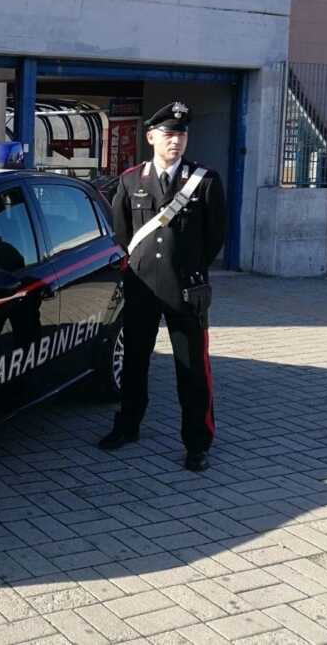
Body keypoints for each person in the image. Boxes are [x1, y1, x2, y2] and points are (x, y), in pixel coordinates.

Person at [98, 102, 225, 472]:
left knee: (192, 369)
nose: (176, 141)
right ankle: (128, 426)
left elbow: (214, 236)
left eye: (182, 134)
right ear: (151, 137)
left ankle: (197, 442)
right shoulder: (131, 179)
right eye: (169, 134)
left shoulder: (205, 180)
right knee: (135, 362)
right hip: (142, 288)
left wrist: (190, 269)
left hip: (186, 290)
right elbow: (122, 233)